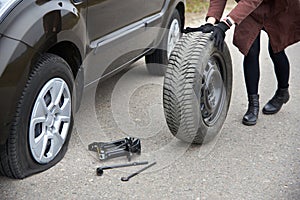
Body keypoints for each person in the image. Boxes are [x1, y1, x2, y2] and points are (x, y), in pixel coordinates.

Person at [186, 0, 300, 125]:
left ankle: (282, 92)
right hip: (251, 12)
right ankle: (253, 105)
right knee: (250, 50)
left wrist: (225, 25)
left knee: (276, 50)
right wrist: (211, 22)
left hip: (278, 7)